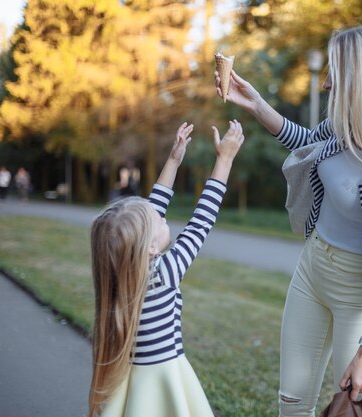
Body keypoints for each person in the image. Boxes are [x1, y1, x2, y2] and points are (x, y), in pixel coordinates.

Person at [215, 24, 362, 416]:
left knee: (353, 410)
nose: (325, 85)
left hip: (361, 296)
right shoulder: (344, 128)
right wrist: (255, 104)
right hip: (312, 270)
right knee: (291, 402)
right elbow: (306, 143)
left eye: (335, 74)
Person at [88, 120, 245, 417]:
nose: (164, 219)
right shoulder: (165, 273)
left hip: (133, 381)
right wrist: (224, 159)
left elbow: (150, 212)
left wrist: (173, 160)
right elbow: (201, 221)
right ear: (148, 247)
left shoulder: (120, 276)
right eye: (159, 222)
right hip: (164, 376)